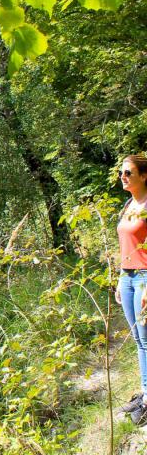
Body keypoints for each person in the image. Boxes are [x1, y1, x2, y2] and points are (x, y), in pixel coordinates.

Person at [116, 154, 147, 424]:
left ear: (144, 175)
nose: (123, 177)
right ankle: (146, 393)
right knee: (138, 339)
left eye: (128, 172)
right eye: (121, 173)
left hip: (144, 278)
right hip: (127, 278)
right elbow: (125, 245)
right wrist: (119, 278)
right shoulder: (128, 204)